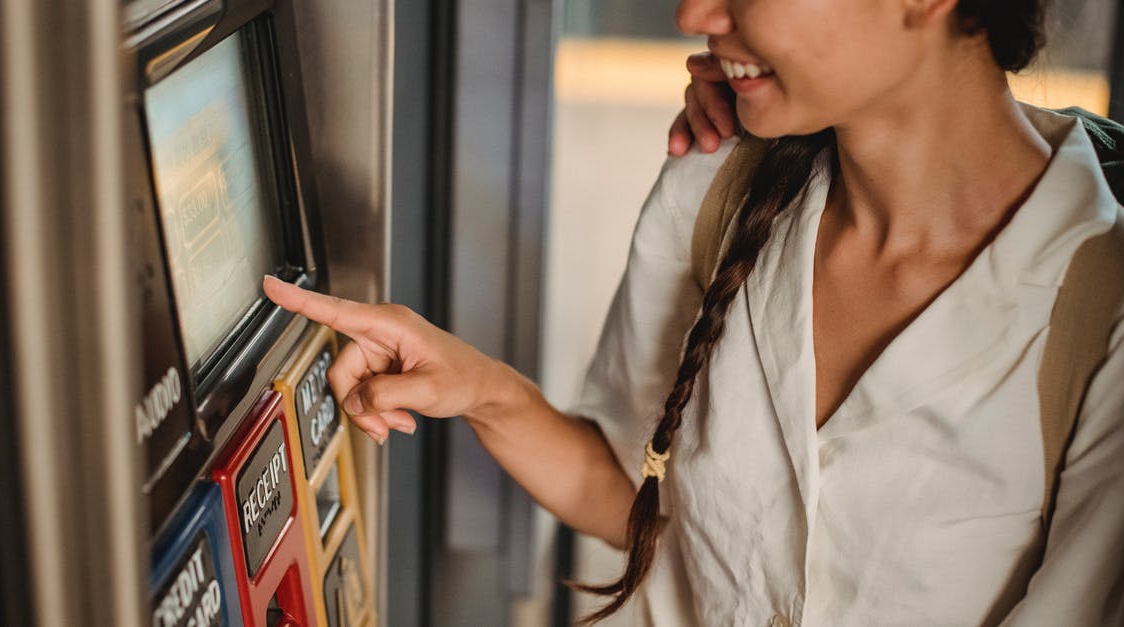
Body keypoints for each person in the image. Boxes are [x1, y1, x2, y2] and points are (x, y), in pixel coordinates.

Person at [264, 0, 1124, 623]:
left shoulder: (1103, 315)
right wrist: (481, 388)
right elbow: (640, 506)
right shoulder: (719, 188)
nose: (692, 14)